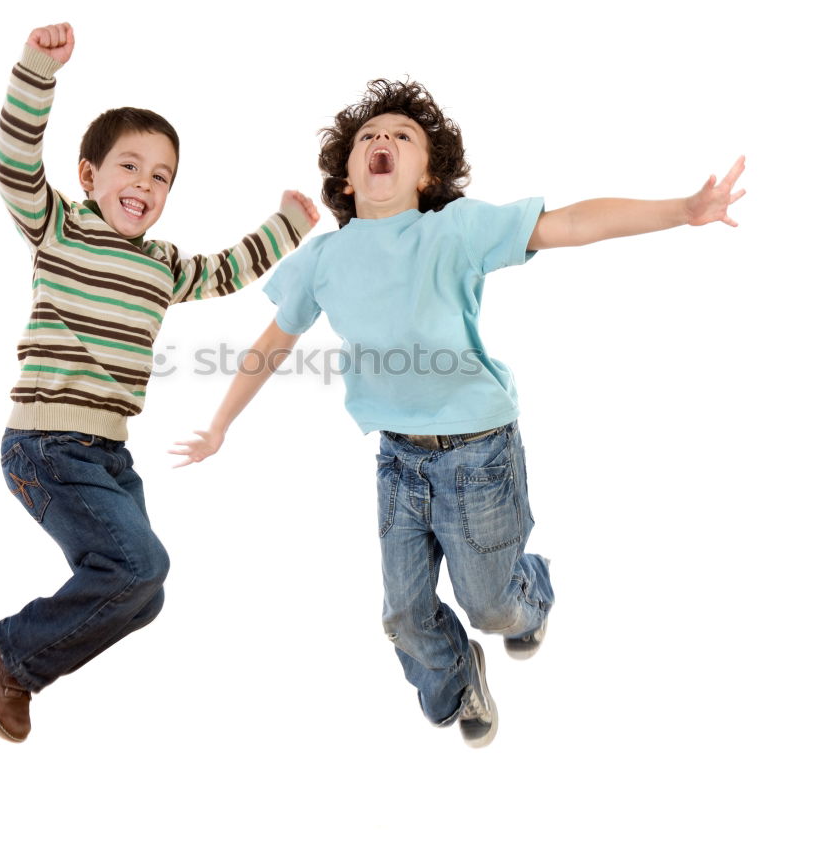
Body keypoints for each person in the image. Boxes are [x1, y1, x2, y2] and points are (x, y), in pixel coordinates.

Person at [171, 78, 745, 748]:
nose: (382, 140)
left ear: (427, 174)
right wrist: (220, 424)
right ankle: (453, 676)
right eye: (368, 138)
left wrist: (683, 208)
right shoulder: (324, 259)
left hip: (479, 453)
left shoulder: (455, 229)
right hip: (399, 460)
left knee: (491, 605)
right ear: (348, 180)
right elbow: (273, 343)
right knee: (404, 615)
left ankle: (529, 590)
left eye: (401, 136)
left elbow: (569, 224)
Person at [0, 23, 318, 742]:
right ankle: (6, 651)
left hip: (108, 456)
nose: (146, 185)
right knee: (139, 565)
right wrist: (38, 70)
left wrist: (288, 224)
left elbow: (226, 271)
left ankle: (13, 652)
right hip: (45, 444)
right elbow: (12, 163)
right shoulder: (58, 226)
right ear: (90, 176)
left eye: (161, 177)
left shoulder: (162, 263)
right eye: (130, 167)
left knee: (142, 593)